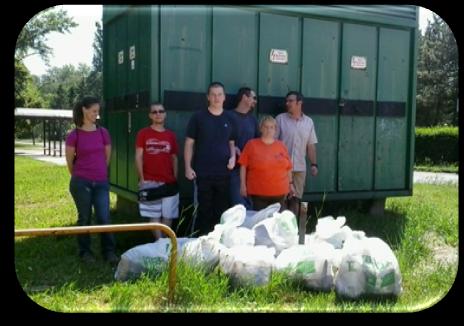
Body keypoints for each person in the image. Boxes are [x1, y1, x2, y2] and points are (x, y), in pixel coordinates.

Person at [65, 96, 118, 264]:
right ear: (84, 110)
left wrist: (99, 172)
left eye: (98, 111)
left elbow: (107, 157)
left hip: (101, 182)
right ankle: (85, 252)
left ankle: (109, 252)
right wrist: (82, 175)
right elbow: (69, 163)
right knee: (85, 218)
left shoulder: (103, 133)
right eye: (94, 111)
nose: (97, 114)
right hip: (81, 183)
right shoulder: (74, 135)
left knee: (104, 217)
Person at [184, 81, 236, 236]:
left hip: (224, 173)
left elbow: (232, 142)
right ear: (208, 97)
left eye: (219, 94)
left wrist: (233, 157)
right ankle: (202, 247)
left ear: (224, 97)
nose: (216, 97)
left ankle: (218, 247)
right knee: (204, 212)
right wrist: (187, 167)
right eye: (213, 94)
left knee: (222, 212)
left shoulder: (229, 117)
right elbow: (189, 143)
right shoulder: (198, 118)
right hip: (203, 174)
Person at [135, 103, 179, 240]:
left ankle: (165, 243)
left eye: (161, 111)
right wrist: (142, 179)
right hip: (149, 181)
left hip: (169, 182)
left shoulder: (171, 135)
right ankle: (159, 243)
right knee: (153, 216)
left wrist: (175, 177)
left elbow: (174, 158)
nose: (158, 114)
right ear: (150, 115)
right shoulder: (143, 133)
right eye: (154, 112)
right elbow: (138, 156)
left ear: (165, 114)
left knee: (168, 216)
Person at [238, 115, 294, 211]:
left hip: (280, 192)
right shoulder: (251, 144)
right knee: (260, 222)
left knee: (276, 222)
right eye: (266, 127)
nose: (269, 130)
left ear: (275, 129)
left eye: (272, 127)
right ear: (261, 129)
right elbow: (243, 166)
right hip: (259, 193)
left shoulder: (281, 146)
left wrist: (291, 184)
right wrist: (242, 185)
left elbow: (288, 167)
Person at [276, 91, 318, 215]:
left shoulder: (309, 122)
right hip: (282, 168)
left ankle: (294, 229)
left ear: (299, 103)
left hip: (300, 168)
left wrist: (314, 164)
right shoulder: (280, 119)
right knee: (281, 199)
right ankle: (280, 228)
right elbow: (273, 143)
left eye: (290, 101)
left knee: (296, 199)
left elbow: (310, 145)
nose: (287, 103)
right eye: (287, 101)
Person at [226, 87, 259, 210]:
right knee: (238, 205)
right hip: (233, 169)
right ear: (245, 97)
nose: (255, 101)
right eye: (253, 98)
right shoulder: (228, 116)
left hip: (250, 170)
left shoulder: (253, 119)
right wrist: (232, 148)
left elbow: (257, 141)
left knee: (250, 204)